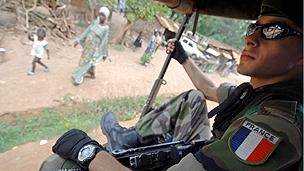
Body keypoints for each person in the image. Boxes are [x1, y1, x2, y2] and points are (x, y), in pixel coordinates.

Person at [40, 0, 303, 170]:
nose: (251, 39)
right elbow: (209, 90)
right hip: (209, 147)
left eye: (274, 31)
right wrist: (183, 57)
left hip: (213, 155)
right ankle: (127, 137)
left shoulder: (274, 124)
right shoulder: (257, 95)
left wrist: (88, 152)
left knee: (58, 166)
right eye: (253, 28)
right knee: (193, 98)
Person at [71, 7, 110, 86]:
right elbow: (87, 31)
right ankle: (92, 73)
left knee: (88, 61)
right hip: (87, 45)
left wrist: (104, 53)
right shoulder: (95, 22)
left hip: (94, 48)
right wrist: (79, 40)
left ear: (106, 17)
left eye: (103, 15)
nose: (101, 16)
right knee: (84, 60)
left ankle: (78, 77)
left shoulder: (106, 28)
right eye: (100, 14)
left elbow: (105, 41)